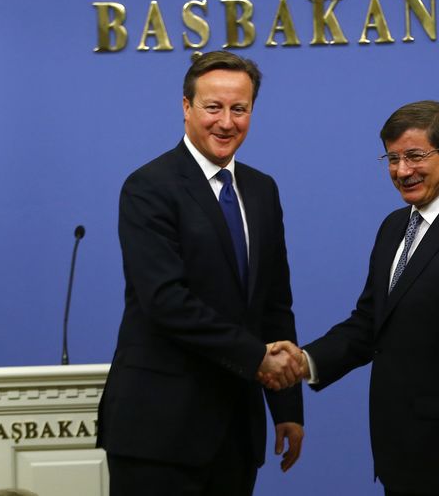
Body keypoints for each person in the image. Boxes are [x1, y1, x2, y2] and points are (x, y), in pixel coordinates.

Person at [97, 51, 304, 496]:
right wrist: (257, 357)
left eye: (239, 109)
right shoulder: (149, 186)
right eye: (213, 107)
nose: (226, 122)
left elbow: (273, 303)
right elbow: (165, 301)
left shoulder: (262, 190)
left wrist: (287, 406)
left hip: (234, 432)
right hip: (158, 432)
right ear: (186, 107)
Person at [293, 100, 439, 496]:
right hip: (400, 457)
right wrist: (305, 360)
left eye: (415, 156)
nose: (402, 171)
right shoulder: (394, 228)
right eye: (393, 158)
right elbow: (370, 323)